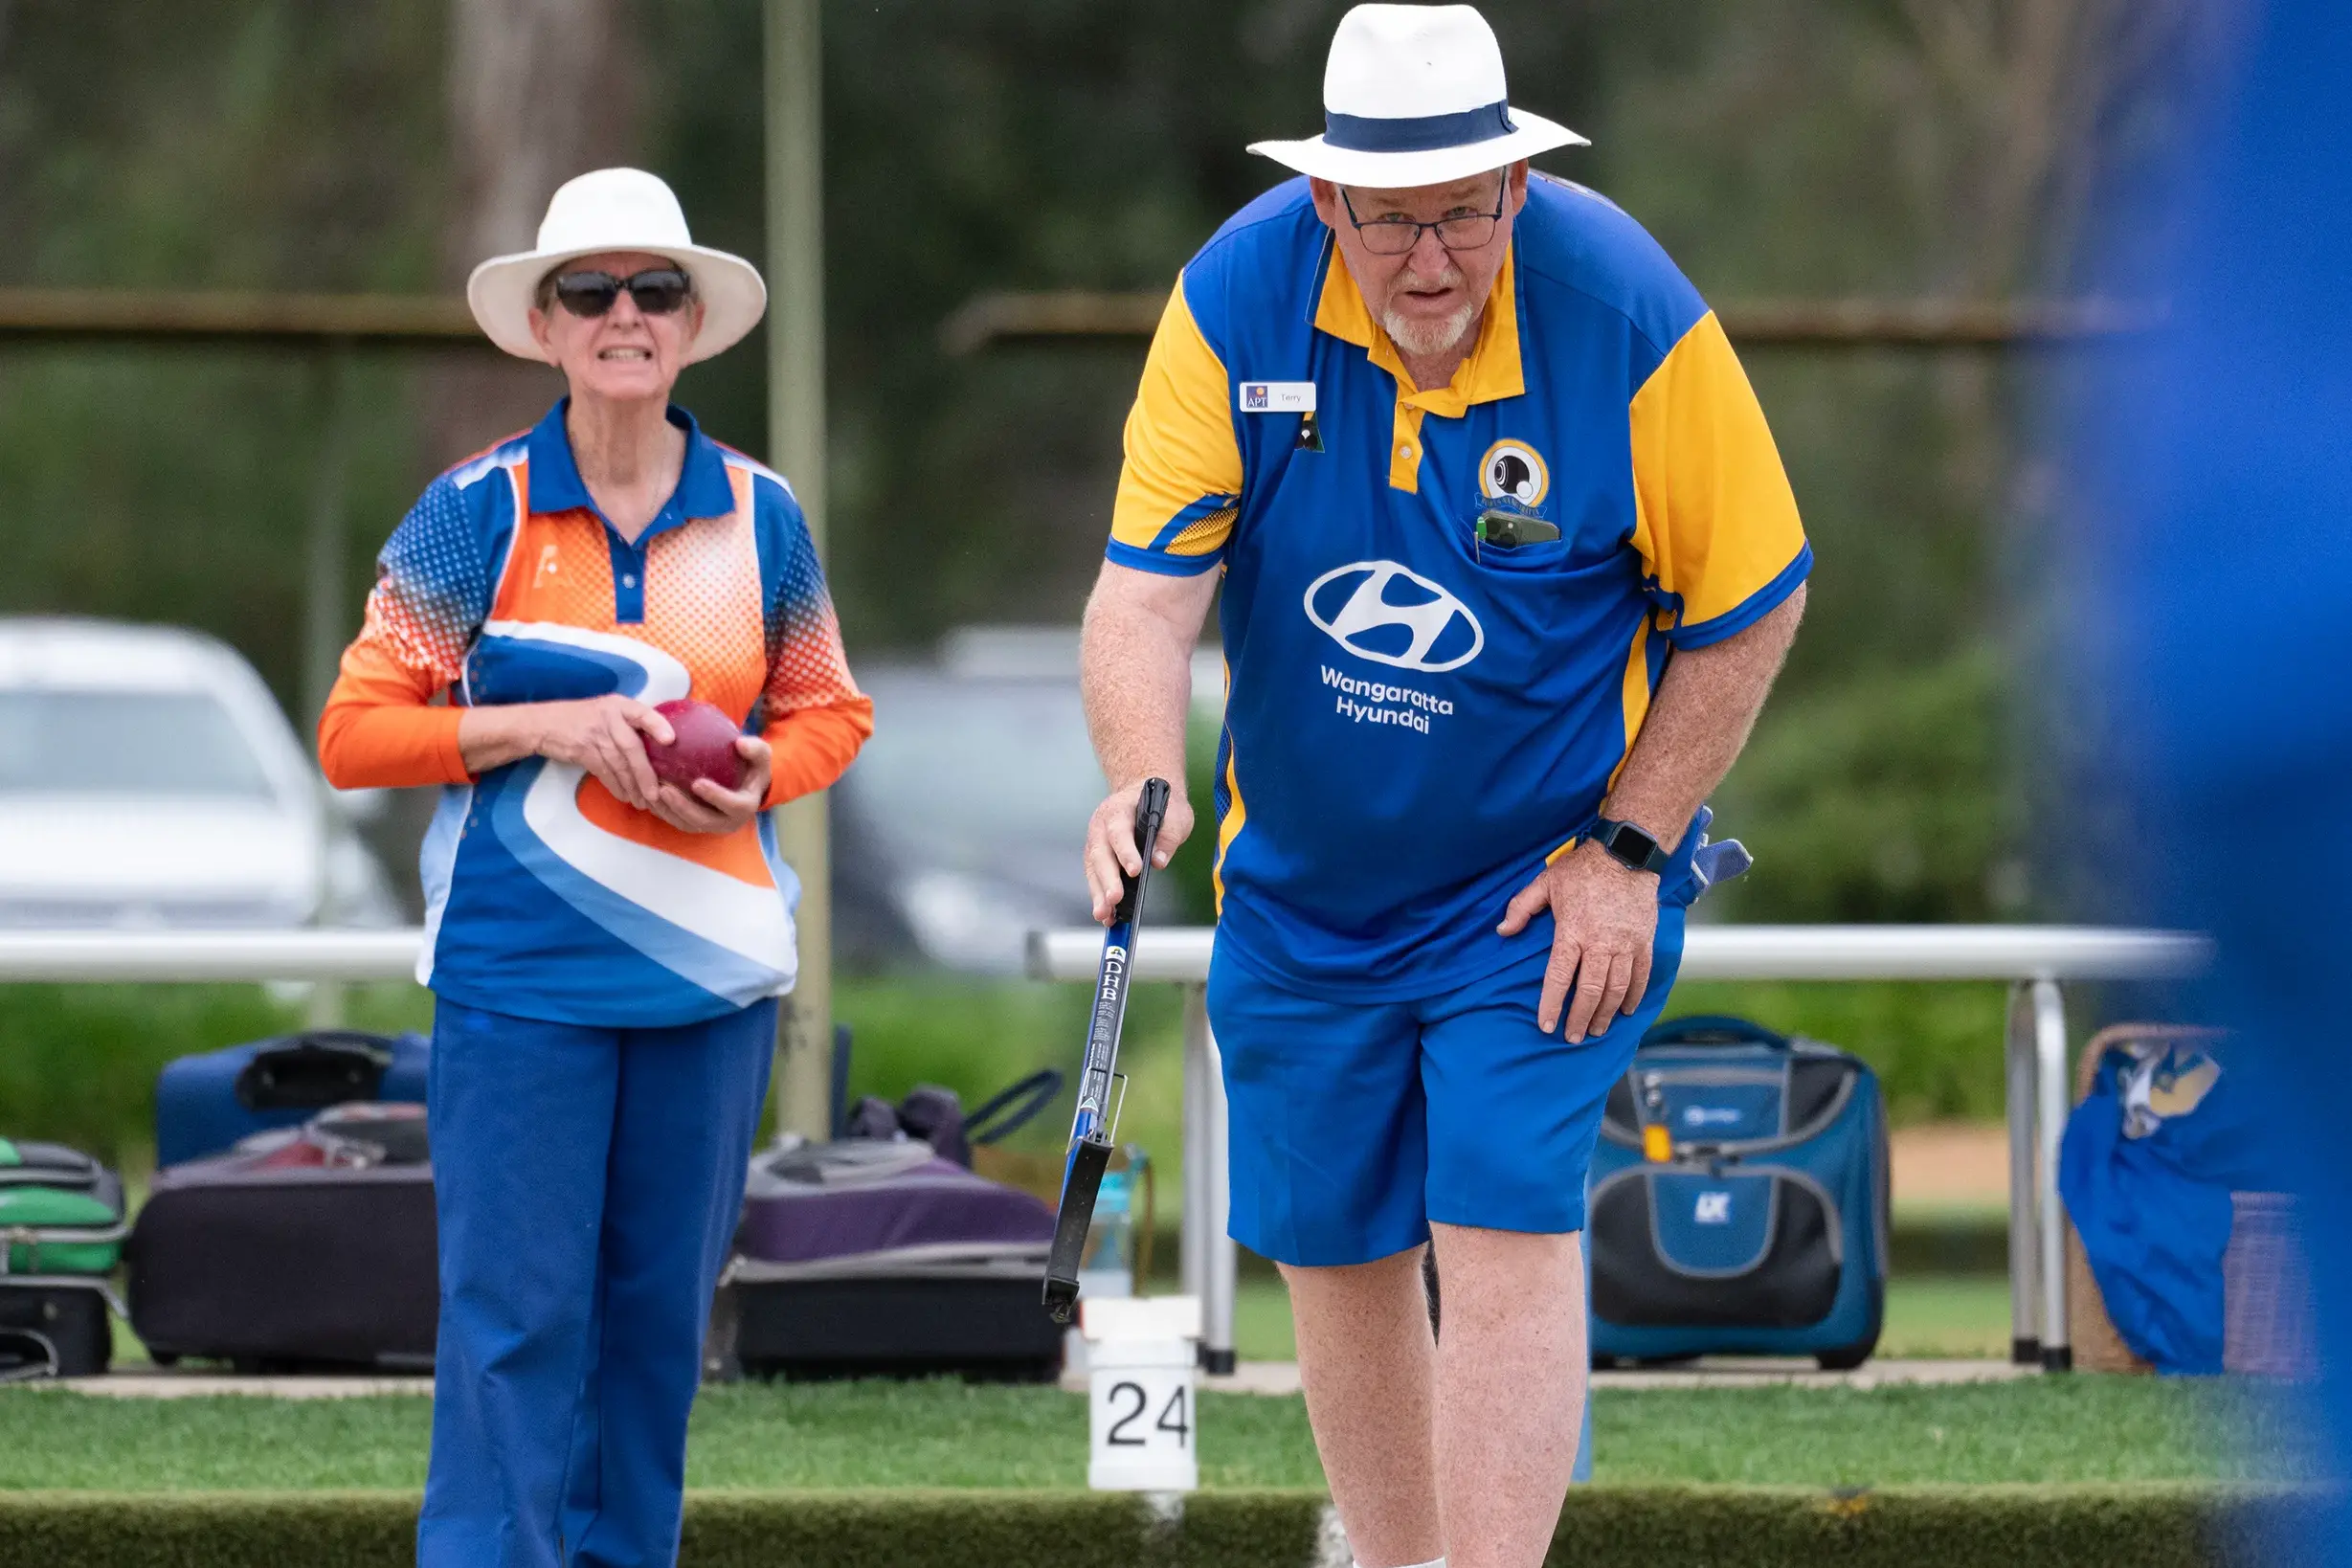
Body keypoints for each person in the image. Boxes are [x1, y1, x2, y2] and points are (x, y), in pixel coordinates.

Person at [1078, 8, 1806, 1566]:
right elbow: (1141, 597)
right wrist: (1138, 771)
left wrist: (1631, 846)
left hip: (1540, 884)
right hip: (1303, 890)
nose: (1429, 260)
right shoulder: (1233, 299)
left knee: (1500, 1221)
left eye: (1464, 213)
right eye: (1390, 219)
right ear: (1326, 200)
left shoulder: (1627, 310)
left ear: (1518, 187)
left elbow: (1754, 598)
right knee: (1333, 1248)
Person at [318, 167, 871, 1568]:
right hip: (518, 982)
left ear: (690, 324)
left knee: (657, 1331)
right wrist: (543, 726)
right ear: (546, 326)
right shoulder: (474, 511)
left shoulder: (762, 514)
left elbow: (830, 712)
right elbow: (353, 734)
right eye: (591, 290)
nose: (626, 314)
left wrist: (763, 772)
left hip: (711, 985)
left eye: (655, 289)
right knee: (513, 1326)